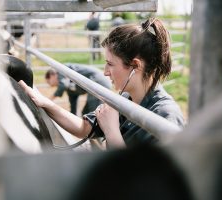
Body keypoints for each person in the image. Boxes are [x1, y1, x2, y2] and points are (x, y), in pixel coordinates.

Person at [19, 17, 184, 149]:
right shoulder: (127, 99)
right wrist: (45, 103)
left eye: (110, 64)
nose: (105, 72)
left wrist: (111, 130)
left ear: (135, 65)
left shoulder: (165, 117)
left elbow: (146, 182)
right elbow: (84, 127)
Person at [45, 63, 111, 115]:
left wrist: (49, 100)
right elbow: (73, 105)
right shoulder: (69, 87)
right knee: (86, 114)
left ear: (52, 75)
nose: (50, 85)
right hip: (96, 83)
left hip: (98, 81)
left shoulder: (60, 70)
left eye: (48, 81)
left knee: (93, 113)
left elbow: (62, 86)